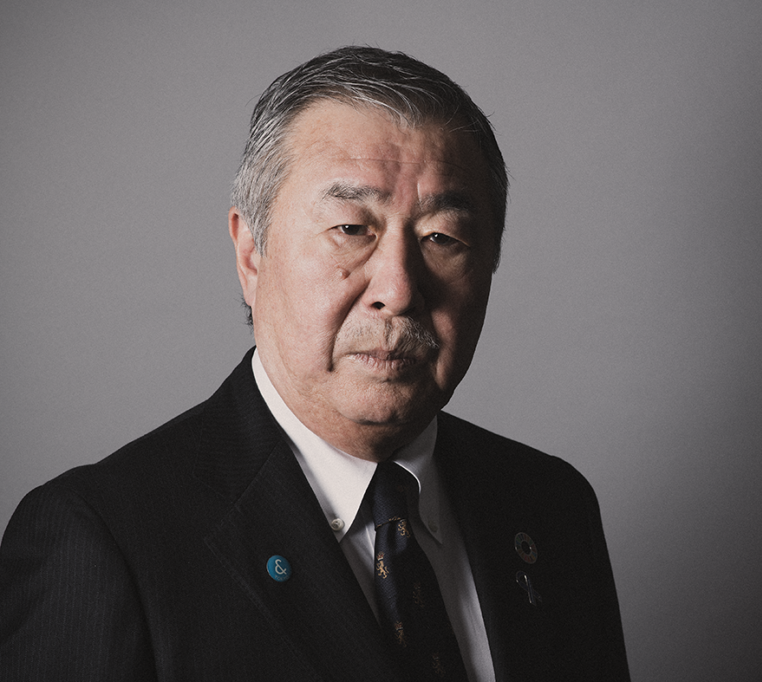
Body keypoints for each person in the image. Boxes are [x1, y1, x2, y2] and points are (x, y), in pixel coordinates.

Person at [0, 46, 629, 681]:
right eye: (352, 229)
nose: (398, 289)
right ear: (251, 254)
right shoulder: (102, 538)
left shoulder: (551, 506)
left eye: (441, 237)